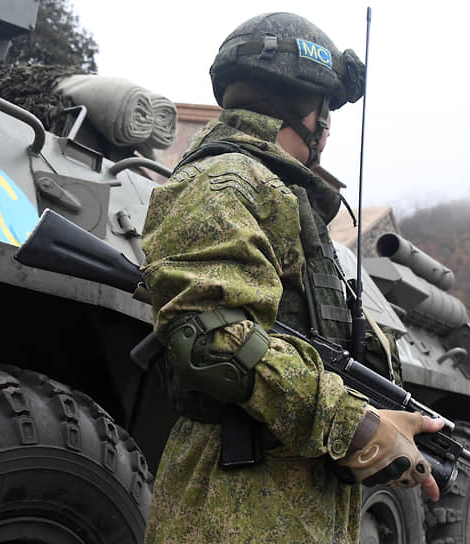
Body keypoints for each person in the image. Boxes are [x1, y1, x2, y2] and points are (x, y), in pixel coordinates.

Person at [140, 12, 444, 543]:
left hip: (282, 502)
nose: (327, 128)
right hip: (235, 506)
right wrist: (358, 427)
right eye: (327, 111)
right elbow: (214, 339)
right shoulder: (225, 181)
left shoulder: (276, 190)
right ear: (306, 107)